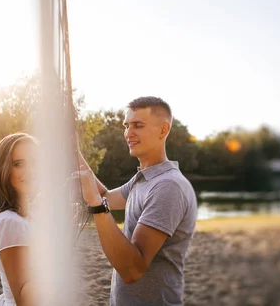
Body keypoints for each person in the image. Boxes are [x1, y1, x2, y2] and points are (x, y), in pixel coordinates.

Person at [78, 96, 197, 306]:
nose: (128, 133)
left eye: (138, 125)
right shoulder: (143, 179)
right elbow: (106, 196)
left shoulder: (168, 186)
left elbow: (132, 270)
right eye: (126, 126)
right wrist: (74, 151)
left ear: (163, 130)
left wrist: (96, 205)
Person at [0, 133, 38, 306]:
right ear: (2, 169)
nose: (30, 171)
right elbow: (24, 297)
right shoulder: (9, 221)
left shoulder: (19, 214)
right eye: (18, 164)